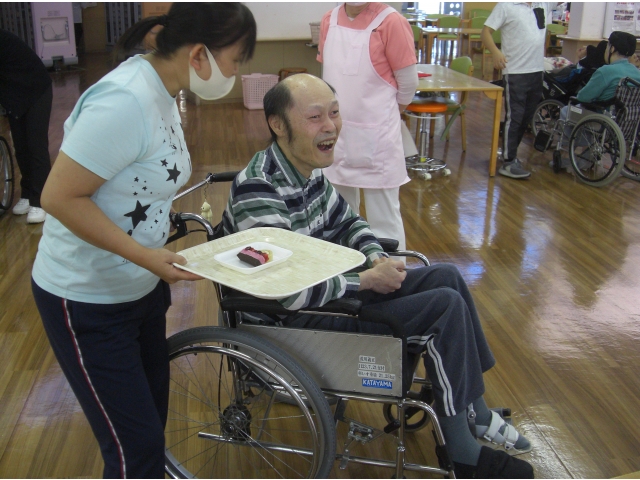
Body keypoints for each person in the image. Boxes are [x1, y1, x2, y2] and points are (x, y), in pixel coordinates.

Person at [222, 73, 534, 479]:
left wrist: (374, 258)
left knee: (447, 277)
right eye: (315, 117)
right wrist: (366, 281)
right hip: (288, 325)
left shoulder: (306, 171)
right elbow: (285, 290)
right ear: (278, 124)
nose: (330, 126)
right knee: (443, 307)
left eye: (334, 113)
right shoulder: (260, 189)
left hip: (325, 299)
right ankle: (462, 452)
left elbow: (349, 222)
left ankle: (474, 412)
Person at [30, 3, 256, 478]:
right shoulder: (124, 100)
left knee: (150, 425)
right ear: (199, 55)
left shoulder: (164, 90)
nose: (236, 73)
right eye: (236, 61)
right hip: (86, 297)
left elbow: (136, 182)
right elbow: (59, 197)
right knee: (135, 448)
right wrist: (145, 256)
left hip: (139, 287)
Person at [316, 2, 418, 252]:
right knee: (338, 215)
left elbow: (408, 84)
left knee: (384, 219)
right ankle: (348, 273)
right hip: (336, 134)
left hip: (378, 138)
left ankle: (392, 275)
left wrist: (383, 115)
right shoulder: (330, 20)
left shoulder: (391, 22)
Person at [482, 3, 553, 180]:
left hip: (536, 71)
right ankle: (508, 161)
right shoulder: (506, 5)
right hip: (515, 71)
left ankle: (511, 154)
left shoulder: (543, 3)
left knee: (526, 117)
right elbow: (485, 32)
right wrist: (496, 52)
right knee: (515, 116)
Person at [555, 31, 640, 170]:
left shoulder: (606, 71)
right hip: (626, 122)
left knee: (567, 110)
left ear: (612, 49)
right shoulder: (637, 73)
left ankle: (565, 152)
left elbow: (583, 97)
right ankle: (586, 159)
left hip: (601, 119)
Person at [0, 29, 52, 223]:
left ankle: (40, 201)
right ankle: (27, 193)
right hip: (13, 93)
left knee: (35, 145)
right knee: (20, 147)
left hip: (36, 89)